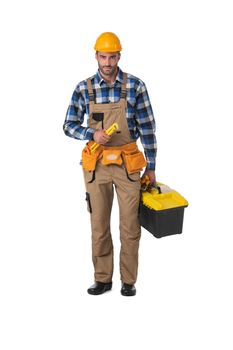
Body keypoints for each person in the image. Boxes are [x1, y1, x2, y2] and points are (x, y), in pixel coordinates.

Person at [63, 32, 157, 296]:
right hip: (97, 167)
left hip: (128, 164)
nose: (107, 62)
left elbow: (148, 128)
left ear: (119, 56)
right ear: (96, 56)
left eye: (112, 56)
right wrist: (91, 134)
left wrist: (151, 166)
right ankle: (102, 279)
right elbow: (68, 125)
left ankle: (128, 281)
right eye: (103, 56)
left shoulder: (135, 86)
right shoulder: (84, 89)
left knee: (130, 226)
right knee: (99, 225)